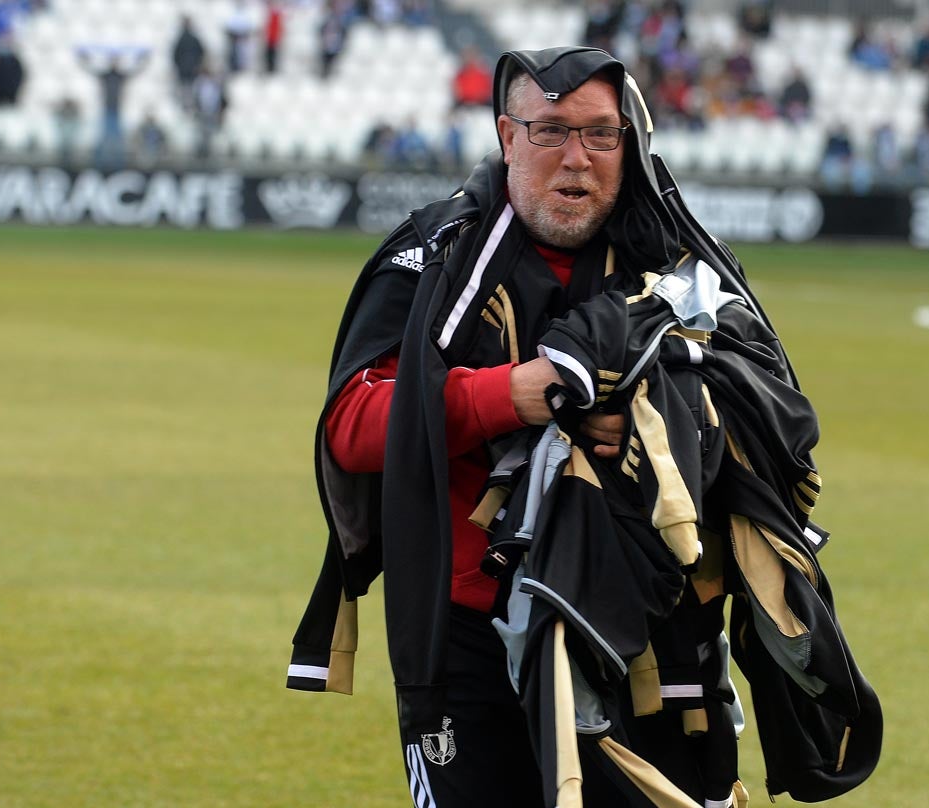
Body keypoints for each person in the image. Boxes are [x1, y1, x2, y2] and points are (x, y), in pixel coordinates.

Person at [288, 46, 881, 808]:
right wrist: (519, 394)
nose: (577, 159)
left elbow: (768, 412)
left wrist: (660, 418)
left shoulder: (683, 261)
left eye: (601, 135)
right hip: (468, 633)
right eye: (550, 132)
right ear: (506, 137)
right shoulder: (431, 255)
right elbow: (354, 426)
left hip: (652, 630)